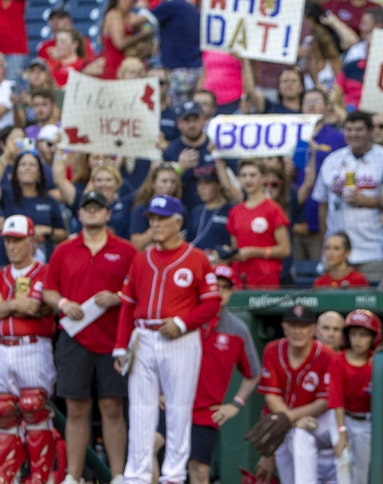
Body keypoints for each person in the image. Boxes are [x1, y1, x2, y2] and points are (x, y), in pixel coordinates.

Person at [112, 195, 221, 484]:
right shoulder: (141, 257)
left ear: (177, 221)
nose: (156, 224)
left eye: (162, 218)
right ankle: (137, 474)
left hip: (180, 339)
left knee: (178, 408)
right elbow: (127, 304)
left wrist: (184, 323)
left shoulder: (196, 258)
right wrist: (120, 346)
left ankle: (173, 475)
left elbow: (211, 302)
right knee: (140, 408)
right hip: (144, 335)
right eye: (152, 218)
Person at [44, 192, 136, 484]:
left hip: (113, 338)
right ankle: (72, 475)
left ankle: (119, 475)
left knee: (112, 407)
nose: (92, 212)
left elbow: (137, 290)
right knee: (76, 406)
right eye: (87, 208)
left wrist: (117, 297)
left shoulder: (126, 250)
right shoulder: (63, 250)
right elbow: (48, 290)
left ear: (108, 214)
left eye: (98, 208)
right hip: (74, 339)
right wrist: (63, 304)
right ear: (79, 215)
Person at [188, 265, 261, 484]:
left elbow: (254, 374)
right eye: (214, 286)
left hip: (204, 411)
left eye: (225, 288)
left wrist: (236, 404)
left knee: (199, 469)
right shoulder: (185, 318)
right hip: (172, 404)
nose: (219, 292)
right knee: (152, 449)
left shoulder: (238, 329)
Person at [0, 215, 55, 484]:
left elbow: (34, 307)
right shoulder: (1, 274)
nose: (12, 246)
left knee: (34, 406)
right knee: (3, 411)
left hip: (33, 347)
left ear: (32, 241)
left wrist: (6, 306)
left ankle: (39, 478)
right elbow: (21, 306)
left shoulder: (44, 271)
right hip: (3, 348)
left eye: (18, 241)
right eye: (8, 240)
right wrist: (14, 305)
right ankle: (7, 476)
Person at [256, 304, 336, 484]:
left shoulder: (326, 355)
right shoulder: (272, 350)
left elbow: (324, 401)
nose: (298, 331)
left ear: (313, 329)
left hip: (318, 422)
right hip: (285, 423)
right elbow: (271, 396)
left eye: (303, 326)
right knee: (291, 442)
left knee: (299, 434)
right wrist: (290, 421)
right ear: (284, 327)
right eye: (293, 325)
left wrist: (289, 419)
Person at [312, 111, 383, 284]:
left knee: (370, 304)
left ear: (371, 131)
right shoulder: (333, 160)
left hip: (374, 250)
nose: (353, 134)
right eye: (349, 129)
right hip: (338, 252)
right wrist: (325, 246)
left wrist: (367, 201)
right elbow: (322, 205)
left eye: (359, 129)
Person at [328, 309, 383, 484]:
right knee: (343, 459)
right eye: (353, 334)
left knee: (362, 470)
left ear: (373, 338)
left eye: (363, 334)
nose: (358, 340)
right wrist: (342, 433)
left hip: (367, 422)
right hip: (341, 418)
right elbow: (336, 399)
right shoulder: (338, 360)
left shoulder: (378, 362)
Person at [226, 159, 291, 288]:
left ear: (263, 178)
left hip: (266, 279)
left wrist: (254, 252)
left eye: (253, 175)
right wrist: (229, 253)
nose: (248, 180)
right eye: (244, 175)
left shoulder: (273, 209)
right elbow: (235, 247)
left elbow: (285, 249)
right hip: (240, 279)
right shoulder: (235, 211)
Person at [100, 0, 155, 80]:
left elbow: (146, 25)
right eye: (131, 0)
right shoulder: (114, 15)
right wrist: (141, 35)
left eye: (135, 1)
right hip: (117, 67)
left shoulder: (130, 16)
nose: (133, 4)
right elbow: (120, 43)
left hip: (133, 68)